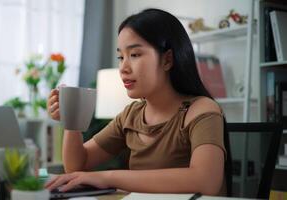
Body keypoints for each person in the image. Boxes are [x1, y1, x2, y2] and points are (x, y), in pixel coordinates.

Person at [45, 8, 228, 196]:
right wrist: (71, 117)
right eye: (120, 57)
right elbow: (77, 164)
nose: (123, 68)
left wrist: (108, 178)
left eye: (134, 55)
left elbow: (206, 182)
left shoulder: (201, 109)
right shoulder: (131, 115)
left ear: (167, 60)